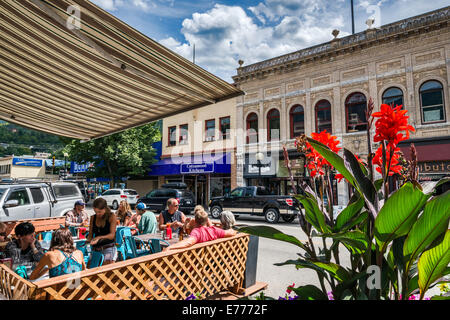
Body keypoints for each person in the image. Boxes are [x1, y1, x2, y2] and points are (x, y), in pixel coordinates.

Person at [166, 209, 237, 251]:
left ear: (195, 221)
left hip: (197, 261)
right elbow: (231, 232)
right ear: (207, 221)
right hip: (211, 260)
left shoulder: (197, 231)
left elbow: (188, 242)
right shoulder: (214, 230)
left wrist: (170, 247)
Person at [87, 197, 117, 265]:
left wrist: (99, 238)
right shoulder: (93, 218)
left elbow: (112, 235)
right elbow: (90, 235)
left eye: (99, 212)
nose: (97, 214)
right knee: (89, 268)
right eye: (95, 212)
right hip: (95, 249)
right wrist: (87, 241)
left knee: (106, 271)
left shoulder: (112, 216)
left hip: (108, 248)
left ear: (105, 209)